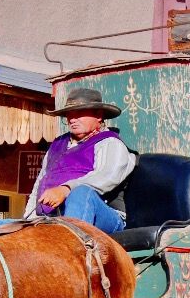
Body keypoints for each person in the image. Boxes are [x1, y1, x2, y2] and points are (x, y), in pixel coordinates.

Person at [24, 87, 136, 234]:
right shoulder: (57, 145)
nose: (73, 119)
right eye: (69, 114)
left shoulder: (110, 142)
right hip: (52, 218)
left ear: (99, 115)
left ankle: (69, 246)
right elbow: (40, 183)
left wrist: (66, 189)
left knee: (81, 193)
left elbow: (107, 177)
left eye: (79, 113)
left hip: (106, 217)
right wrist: (26, 221)